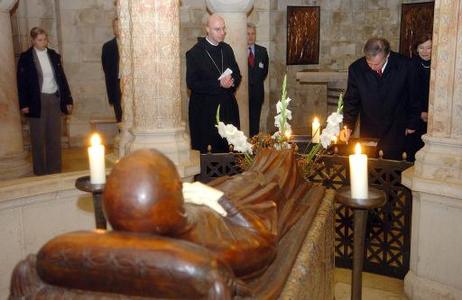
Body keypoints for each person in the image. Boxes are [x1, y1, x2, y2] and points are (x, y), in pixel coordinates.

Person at [341, 37, 420, 160]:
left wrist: (412, 123)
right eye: (369, 63)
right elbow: (351, 100)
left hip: (397, 126)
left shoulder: (405, 65)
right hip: (370, 127)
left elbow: (414, 96)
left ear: (387, 55)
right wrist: (348, 125)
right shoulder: (356, 69)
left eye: (377, 64)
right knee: (370, 166)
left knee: (394, 165)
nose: (372, 67)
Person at [17, 27, 73, 175]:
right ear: (33, 41)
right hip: (37, 100)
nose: (44, 42)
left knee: (54, 136)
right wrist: (24, 104)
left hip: (54, 98)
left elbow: (62, 78)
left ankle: (54, 169)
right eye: (40, 40)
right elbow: (21, 83)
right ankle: (40, 170)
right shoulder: (26, 57)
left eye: (45, 39)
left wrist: (67, 99)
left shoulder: (53, 55)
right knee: (38, 137)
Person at [186, 14, 242, 153]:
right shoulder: (195, 53)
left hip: (227, 108)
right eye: (217, 29)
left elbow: (237, 74)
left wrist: (232, 81)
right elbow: (192, 83)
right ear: (207, 29)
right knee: (210, 151)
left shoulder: (227, 49)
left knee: (229, 148)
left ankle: (232, 174)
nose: (222, 33)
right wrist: (219, 84)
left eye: (223, 29)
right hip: (205, 111)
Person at [407, 34, 432, 161]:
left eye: (429, 48)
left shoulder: (442, 65)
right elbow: (408, 93)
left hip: (435, 115)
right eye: (421, 48)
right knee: (415, 151)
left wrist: (432, 112)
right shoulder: (410, 65)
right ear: (416, 49)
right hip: (415, 115)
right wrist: (420, 112)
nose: (425, 52)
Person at [247, 23, 269, 137]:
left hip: (257, 93)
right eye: (248, 34)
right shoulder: (238, 51)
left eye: (253, 34)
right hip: (243, 94)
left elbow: (264, 72)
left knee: (255, 123)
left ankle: (253, 147)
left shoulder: (262, 51)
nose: (250, 36)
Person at [102, 17, 122, 123]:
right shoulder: (107, 47)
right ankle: (122, 138)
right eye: (116, 26)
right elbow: (107, 71)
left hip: (132, 86)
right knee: (120, 116)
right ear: (113, 29)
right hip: (116, 85)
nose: (119, 29)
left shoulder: (134, 46)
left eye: (121, 26)